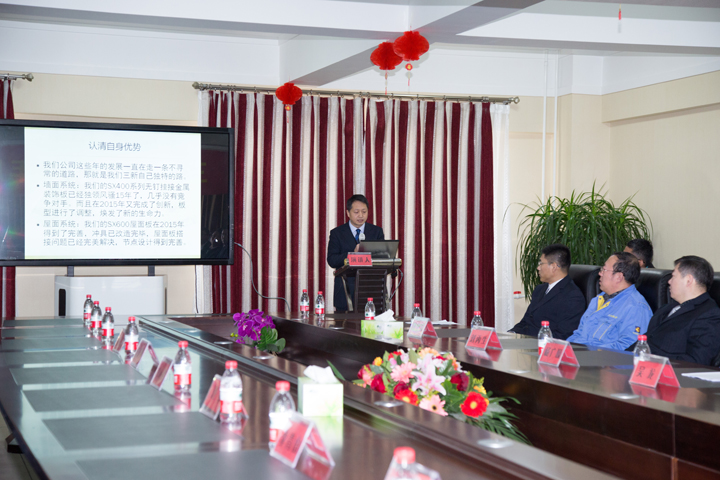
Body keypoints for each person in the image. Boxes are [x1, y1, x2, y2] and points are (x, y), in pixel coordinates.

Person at [630, 256, 720, 366]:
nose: (669, 281)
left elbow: (696, 361)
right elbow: (645, 341)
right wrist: (621, 356)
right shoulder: (667, 308)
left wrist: (650, 358)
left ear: (688, 280)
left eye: (673, 276)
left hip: (667, 372)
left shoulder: (709, 315)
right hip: (638, 367)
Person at [567, 252, 652, 350]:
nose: (600, 273)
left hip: (602, 358)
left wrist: (587, 352)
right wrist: (565, 348)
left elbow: (629, 346)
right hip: (580, 354)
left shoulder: (636, 307)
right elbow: (579, 333)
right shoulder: (598, 299)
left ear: (618, 277)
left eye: (604, 269)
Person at [509, 244, 586, 339]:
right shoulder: (540, 289)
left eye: (541, 263)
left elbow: (563, 335)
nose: (538, 268)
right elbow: (525, 322)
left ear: (554, 267)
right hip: (526, 342)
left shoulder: (573, 296)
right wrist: (510, 334)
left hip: (542, 345)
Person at [327, 194, 385, 312]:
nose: (361, 215)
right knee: (344, 323)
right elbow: (332, 260)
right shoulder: (337, 233)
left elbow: (382, 257)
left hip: (371, 291)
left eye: (364, 212)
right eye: (356, 212)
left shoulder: (376, 232)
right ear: (348, 213)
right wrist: (352, 254)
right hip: (345, 292)